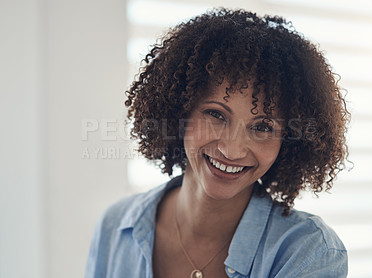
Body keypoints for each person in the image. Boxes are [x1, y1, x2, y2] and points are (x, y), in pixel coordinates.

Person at [85, 8, 350, 278]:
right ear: (180, 111)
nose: (231, 149)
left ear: (289, 141)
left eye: (262, 127)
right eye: (216, 114)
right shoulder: (116, 227)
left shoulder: (309, 253)